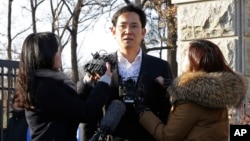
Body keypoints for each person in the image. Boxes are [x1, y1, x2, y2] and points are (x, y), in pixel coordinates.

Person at [82, 4, 173, 141]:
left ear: (143, 32)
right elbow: (88, 112)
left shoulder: (160, 67)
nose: (128, 31)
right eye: (122, 26)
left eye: (134, 26)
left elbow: (168, 112)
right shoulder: (101, 66)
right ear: (113, 31)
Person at [136, 39, 248, 141]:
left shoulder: (192, 100)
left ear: (194, 64)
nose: (182, 58)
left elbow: (168, 136)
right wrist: (173, 86)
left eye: (186, 56)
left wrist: (142, 111)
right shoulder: (218, 93)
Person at [14, 32, 113, 141]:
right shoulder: (45, 88)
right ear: (45, 55)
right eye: (56, 50)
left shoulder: (42, 82)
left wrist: (86, 82)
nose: (60, 53)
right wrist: (104, 82)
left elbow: (72, 106)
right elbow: (85, 112)